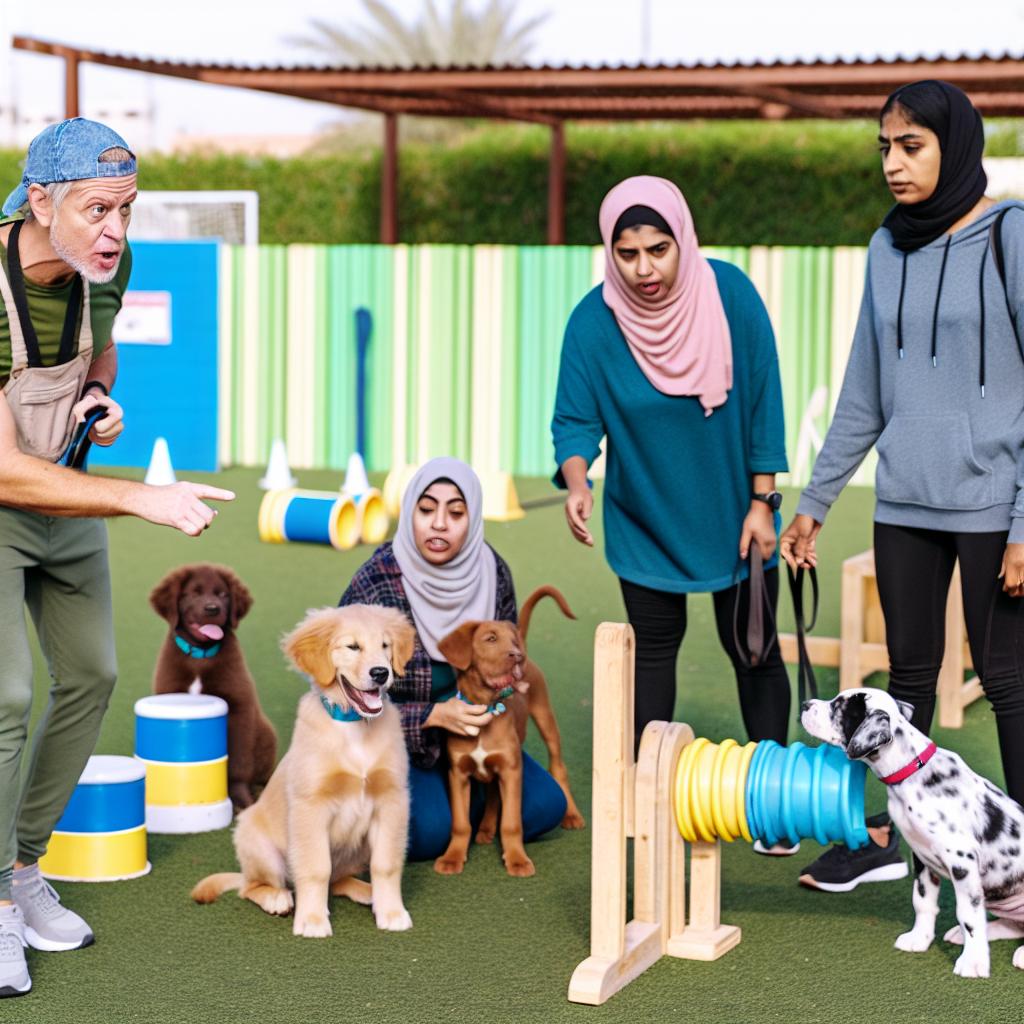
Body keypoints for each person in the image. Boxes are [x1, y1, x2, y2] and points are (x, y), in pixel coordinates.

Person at [0, 118, 234, 999]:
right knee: (7, 696)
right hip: (7, 499)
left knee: (93, 674)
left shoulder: (109, 266)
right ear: (42, 201)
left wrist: (99, 395)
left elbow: (102, 348)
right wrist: (142, 495)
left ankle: (22, 869)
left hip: (64, 488)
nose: (116, 231)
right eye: (99, 209)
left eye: (127, 210)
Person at [781, 80, 1024, 896]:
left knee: (1008, 681)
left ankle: (1020, 865)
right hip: (904, 503)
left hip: (995, 502)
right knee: (907, 679)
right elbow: (864, 388)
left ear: (953, 148)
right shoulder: (888, 247)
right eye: (884, 146)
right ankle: (891, 840)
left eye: (910, 146)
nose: (892, 162)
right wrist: (815, 499)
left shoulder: (1010, 235)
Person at [550, 175, 792, 852]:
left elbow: (764, 402)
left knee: (755, 652)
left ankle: (771, 806)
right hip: (646, 518)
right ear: (609, 252)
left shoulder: (731, 294)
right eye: (627, 254)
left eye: (659, 249)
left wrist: (763, 502)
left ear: (682, 240)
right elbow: (573, 421)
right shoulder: (593, 323)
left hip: (737, 516)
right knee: (652, 656)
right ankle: (643, 804)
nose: (645, 269)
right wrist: (576, 481)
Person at [338, 456, 567, 861]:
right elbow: (343, 700)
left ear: (473, 517)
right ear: (410, 512)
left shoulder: (492, 570)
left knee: (546, 807)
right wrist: (430, 716)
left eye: (456, 512)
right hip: (409, 742)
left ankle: (472, 788)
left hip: (480, 730)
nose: (439, 523)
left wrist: (505, 688)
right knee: (426, 835)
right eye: (426, 510)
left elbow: (505, 659)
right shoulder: (375, 584)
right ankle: (451, 799)